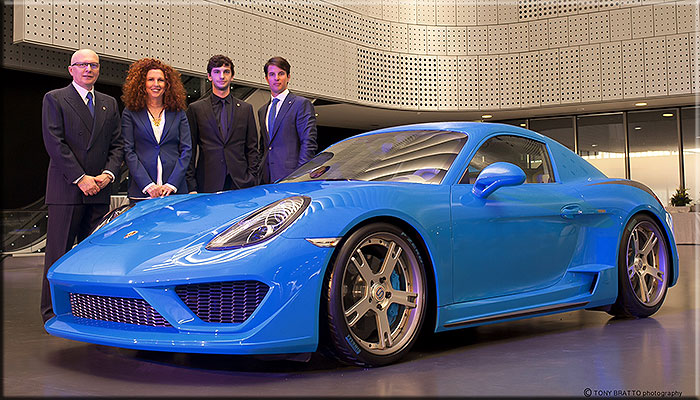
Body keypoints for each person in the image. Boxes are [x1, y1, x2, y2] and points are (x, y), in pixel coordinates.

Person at [41, 49, 124, 323]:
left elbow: (117, 145)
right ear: (71, 69)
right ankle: (53, 311)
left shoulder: (109, 103)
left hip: (99, 190)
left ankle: (93, 311)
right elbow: (55, 143)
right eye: (82, 65)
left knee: (94, 257)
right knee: (59, 254)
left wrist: (108, 174)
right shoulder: (55, 98)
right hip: (67, 189)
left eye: (93, 65)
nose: (88, 69)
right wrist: (81, 177)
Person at [186, 55, 259, 192]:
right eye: (217, 72)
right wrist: (191, 185)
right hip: (207, 182)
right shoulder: (196, 109)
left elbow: (252, 148)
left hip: (241, 183)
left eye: (226, 72)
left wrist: (252, 177)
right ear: (209, 76)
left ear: (232, 76)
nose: (222, 76)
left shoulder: (246, 109)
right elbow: (190, 149)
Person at [121, 58, 192, 201]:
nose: (156, 84)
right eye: (150, 80)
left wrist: (172, 184)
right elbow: (128, 151)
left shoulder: (178, 113)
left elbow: (186, 150)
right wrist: (148, 185)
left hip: (174, 191)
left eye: (161, 80)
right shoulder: (130, 113)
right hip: (142, 192)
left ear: (167, 85)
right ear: (142, 84)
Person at [257, 56, 317, 184]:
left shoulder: (301, 104)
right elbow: (264, 147)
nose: (276, 78)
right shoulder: (262, 111)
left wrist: (299, 176)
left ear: (288, 77)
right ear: (267, 78)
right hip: (266, 180)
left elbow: (308, 143)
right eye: (272, 74)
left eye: (281, 74)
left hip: (291, 178)